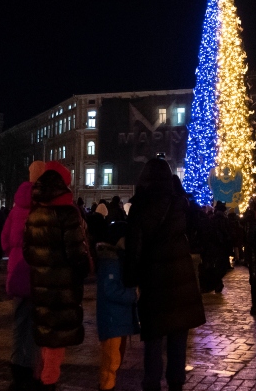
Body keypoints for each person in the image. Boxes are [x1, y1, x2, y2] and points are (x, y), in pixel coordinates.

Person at [124, 158, 205, 391]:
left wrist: (130, 279)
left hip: (154, 280)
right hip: (181, 279)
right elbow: (197, 228)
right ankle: (176, 382)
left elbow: (134, 247)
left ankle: (152, 383)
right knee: (178, 336)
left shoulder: (140, 205)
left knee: (154, 338)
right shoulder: (179, 203)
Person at [24, 162, 91, 391]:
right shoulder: (67, 213)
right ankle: (48, 384)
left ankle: (41, 379)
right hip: (63, 287)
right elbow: (77, 254)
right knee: (56, 343)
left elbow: (27, 252)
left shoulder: (35, 213)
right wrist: (83, 271)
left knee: (45, 338)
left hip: (41, 285)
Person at [1, 160, 47, 391]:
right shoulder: (47, 204)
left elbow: (4, 240)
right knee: (39, 325)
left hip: (18, 271)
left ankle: (18, 369)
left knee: (19, 324)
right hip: (40, 272)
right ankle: (36, 372)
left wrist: (15, 253)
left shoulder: (16, 207)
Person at [96, 221, 139, 391]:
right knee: (111, 359)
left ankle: (109, 384)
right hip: (112, 318)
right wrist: (132, 295)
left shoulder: (117, 259)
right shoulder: (110, 261)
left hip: (118, 319)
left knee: (116, 357)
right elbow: (110, 290)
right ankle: (106, 386)